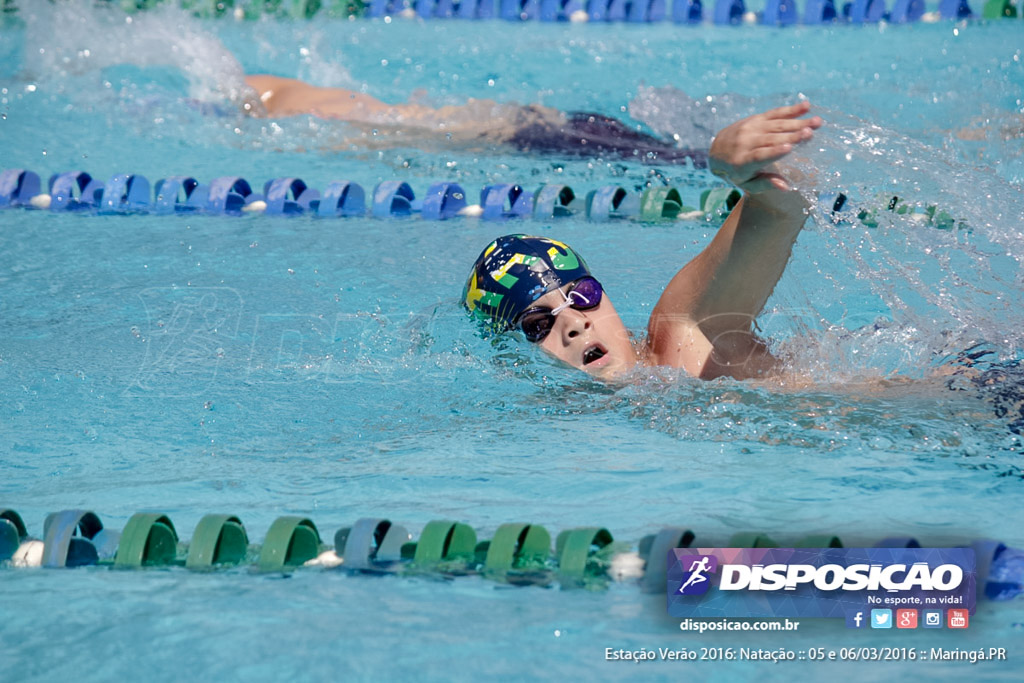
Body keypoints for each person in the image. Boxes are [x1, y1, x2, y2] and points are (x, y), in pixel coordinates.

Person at [463, 101, 823, 381]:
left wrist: (740, 171)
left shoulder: (681, 338)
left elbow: (785, 206)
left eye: (583, 295)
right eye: (538, 325)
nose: (575, 323)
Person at [243, 74, 706, 164]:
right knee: (672, 153)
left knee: (680, 159)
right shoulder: (337, 95)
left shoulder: (330, 117)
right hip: (542, 120)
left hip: (524, 135)